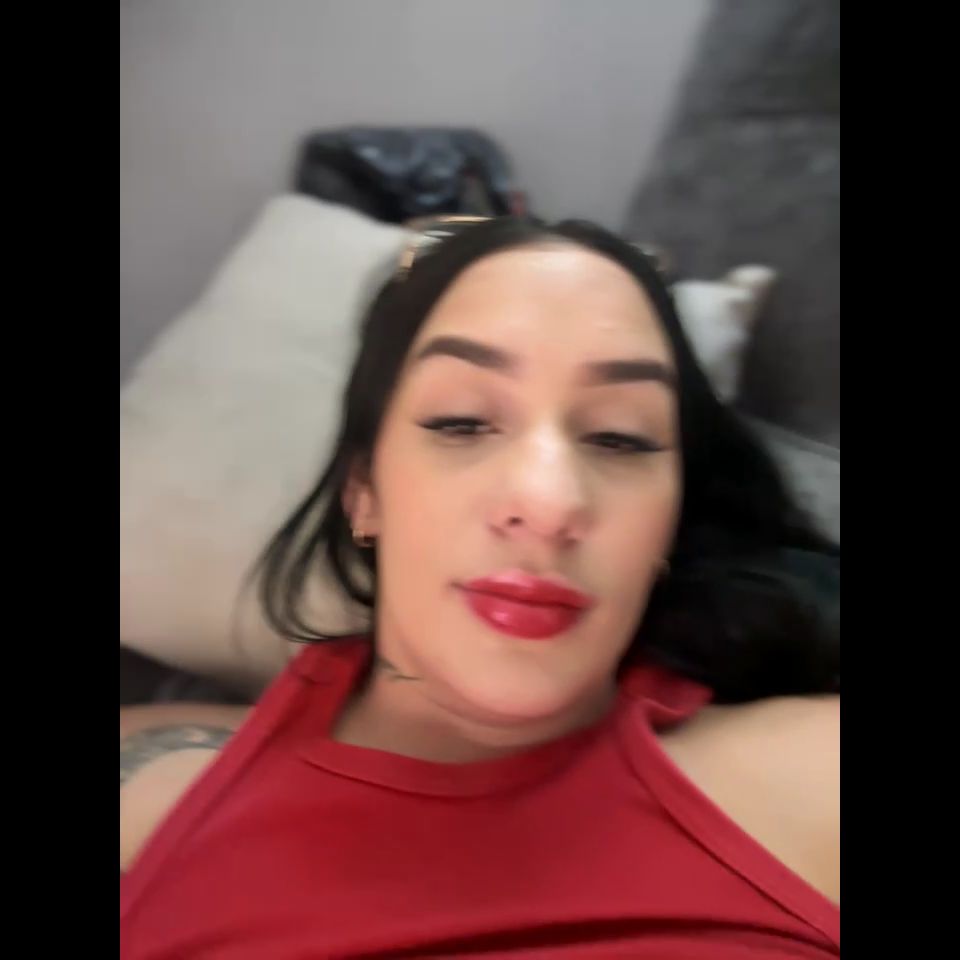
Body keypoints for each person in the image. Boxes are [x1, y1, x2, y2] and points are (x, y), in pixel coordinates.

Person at [120, 217, 840, 958]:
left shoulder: (815, 776)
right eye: (462, 422)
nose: (549, 501)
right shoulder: (161, 787)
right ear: (364, 491)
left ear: (671, 519)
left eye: (619, 437)